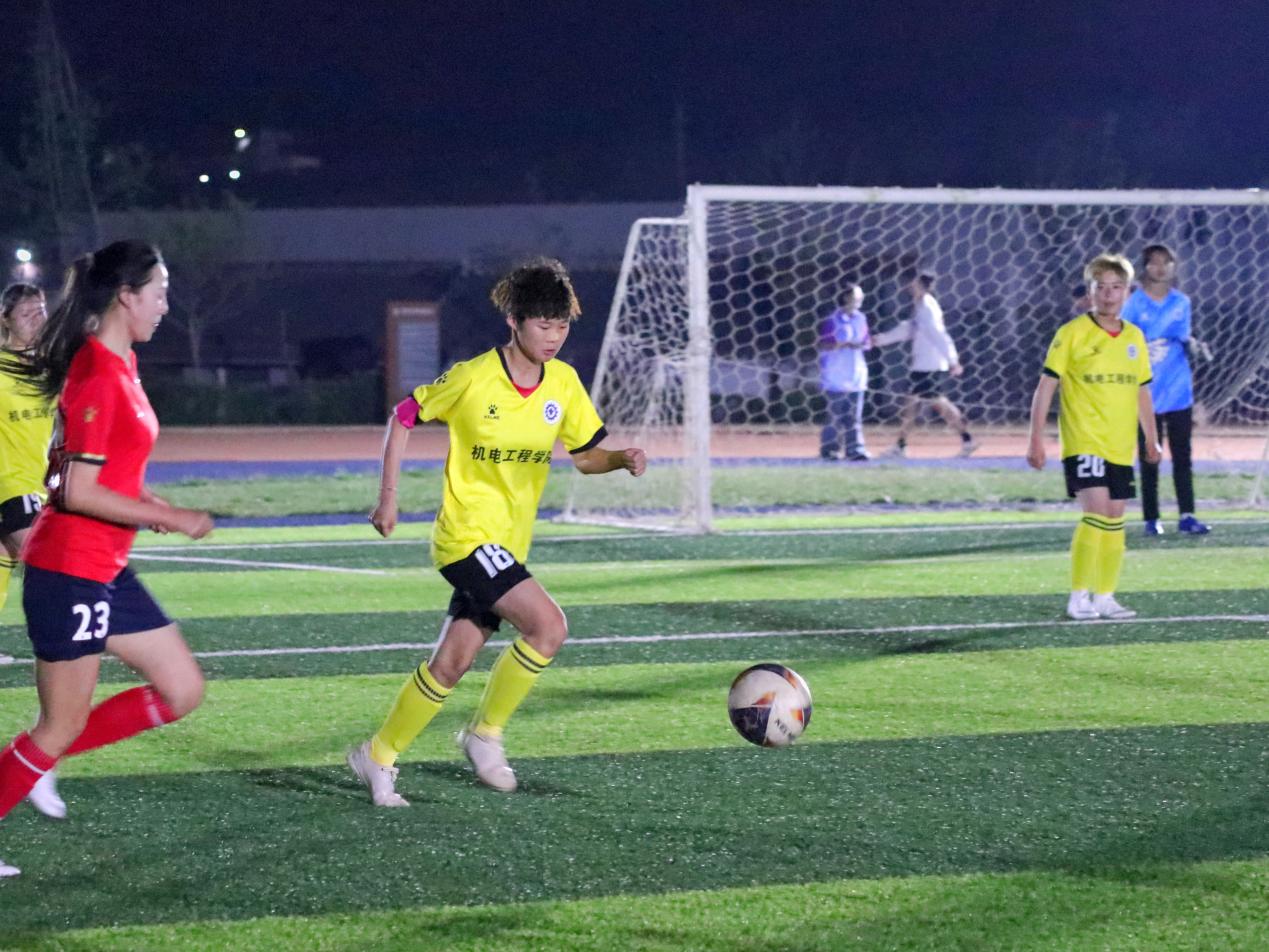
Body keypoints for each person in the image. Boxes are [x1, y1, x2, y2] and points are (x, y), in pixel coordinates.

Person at [348, 258, 646, 806]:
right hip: (465, 540)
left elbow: (585, 456)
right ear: (514, 321)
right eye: (543, 324)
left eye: (562, 326)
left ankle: (378, 754)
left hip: (507, 547)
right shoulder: (473, 377)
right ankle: (484, 735)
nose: (553, 337)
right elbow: (403, 416)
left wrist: (619, 459)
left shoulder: (564, 383)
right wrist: (389, 497)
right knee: (548, 627)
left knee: (452, 663)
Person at [0, 241, 214, 878]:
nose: (166, 306)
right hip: (69, 568)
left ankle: (40, 761)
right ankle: (37, 760)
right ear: (126, 296)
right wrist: (170, 516)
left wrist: (152, 502)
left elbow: (106, 472)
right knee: (58, 724)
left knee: (182, 690)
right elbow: (76, 490)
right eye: (159, 293)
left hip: (106, 568)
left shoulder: (123, 363)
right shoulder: (97, 370)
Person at [1026, 252, 1160, 622]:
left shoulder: (1134, 337)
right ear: (1090, 292)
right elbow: (1046, 386)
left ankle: (1105, 597)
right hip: (1084, 440)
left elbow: (1142, 391)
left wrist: (1151, 438)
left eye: (1116, 287)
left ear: (1127, 293)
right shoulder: (1072, 333)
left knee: (1116, 516)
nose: (1108, 294)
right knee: (1097, 512)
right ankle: (1078, 597)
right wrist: (1035, 438)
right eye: (1101, 287)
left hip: (1120, 444)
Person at [1120, 244, 1210, 536]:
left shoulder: (1181, 302)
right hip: (1145, 393)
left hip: (1179, 391)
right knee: (1150, 456)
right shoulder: (1134, 304)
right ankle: (1151, 519)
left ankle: (1187, 515)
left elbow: (1183, 339)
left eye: (1166, 262)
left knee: (1183, 456)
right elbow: (1124, 341)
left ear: (1173, 266)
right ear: (1145, 267)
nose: (1160, 268)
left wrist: (1193, 346)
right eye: (1154, 262)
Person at [0, 285, 52, 666]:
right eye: (26, 313)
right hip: (10, 483)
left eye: (41, 310)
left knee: (5, 559)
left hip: (37, 482)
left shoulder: (47, 368)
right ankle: (63, 645)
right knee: (48, 563)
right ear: (5, 320)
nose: (37, 319)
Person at [872, 271, 977, 458]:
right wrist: (881, 340)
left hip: (929, 365)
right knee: (913, 404)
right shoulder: (921, 306)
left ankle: (968, 439)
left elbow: (938, 334)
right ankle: (901, 445)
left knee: (936, 404)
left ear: (921, 285)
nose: (910, 286)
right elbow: (909, 329)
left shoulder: (927, 307)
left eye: (914, 283)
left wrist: (953, 360)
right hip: (922, 365)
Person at [817, 283, 871, 461]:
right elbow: (823, 344)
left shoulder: (861, 319)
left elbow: (867, 342)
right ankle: (830, 449)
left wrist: (862, 344)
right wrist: (841, 345)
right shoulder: (833, 319)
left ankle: (855, 449)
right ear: (847, 297)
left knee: (854, 416)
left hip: (856, 374)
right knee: (835, 415)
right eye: (857, 296)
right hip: (836, 375)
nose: (860, 300)